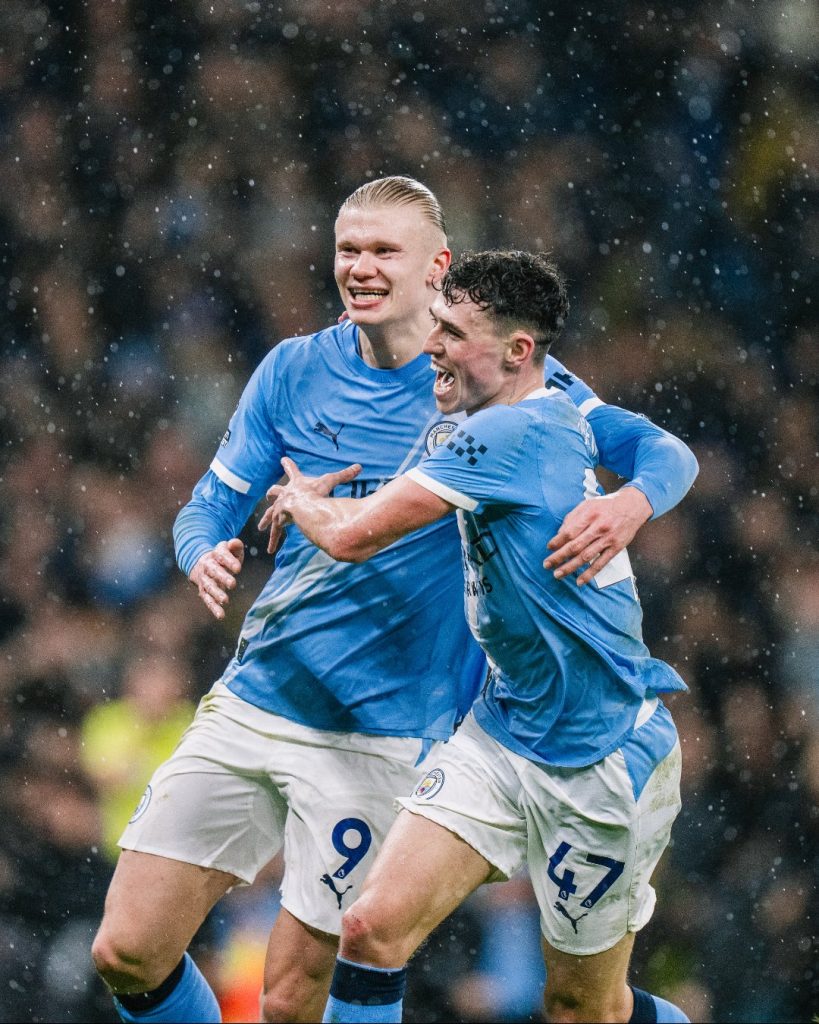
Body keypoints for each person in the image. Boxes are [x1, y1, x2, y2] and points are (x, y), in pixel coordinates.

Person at [91, 178, 698, 1024]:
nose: (362, 267)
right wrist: (204, 553)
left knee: (308, 990)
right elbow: (208, 505)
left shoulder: (505, 382)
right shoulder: (295, 370)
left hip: (386, 732)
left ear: (437, 269)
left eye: (385, 251)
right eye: (349, 249)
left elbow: (660, 451)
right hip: (260, 696)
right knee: (125, 952)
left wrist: (631, 502)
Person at [262, 250, 690, 1024]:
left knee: (580, 1008)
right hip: (499, 736)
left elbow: (354, 536)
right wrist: (634, 502)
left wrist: (299, 501)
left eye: (453, 333)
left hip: (601, 762)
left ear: (517, 351)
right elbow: (664, 451)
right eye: (436, 325)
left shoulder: (502, 434)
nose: (434, 345)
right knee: (368, 928)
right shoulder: (545, 404)